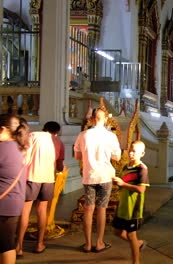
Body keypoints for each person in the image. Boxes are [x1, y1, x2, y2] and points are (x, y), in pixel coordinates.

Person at [74, 108, 121, 253]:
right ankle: (99, 243)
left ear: (92, 119)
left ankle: (87, 244)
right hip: (105, 176)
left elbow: (77, 156)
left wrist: (90, 157)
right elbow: (117, 157)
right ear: (105, 119)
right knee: (102, 209)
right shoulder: (110, 136)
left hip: (90, 176)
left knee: (89, 209)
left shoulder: (83, 135)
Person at [16, 121, 64, 257]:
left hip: (32, 177)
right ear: (57, 132)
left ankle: (19, 246)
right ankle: (39, 244)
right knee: (42, 211)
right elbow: (60, 165)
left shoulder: (33, 136)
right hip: (48, 179)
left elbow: (25, 158)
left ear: (44, 128)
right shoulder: (58, 142)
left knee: (25, 211)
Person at [112, 141, 149, 264]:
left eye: (135, 151)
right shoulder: (125, 167)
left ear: (142, 153)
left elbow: (141, 189)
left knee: (131, 235)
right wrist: (118, 184)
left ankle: (136, 262)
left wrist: (123, 184)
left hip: (133, 208)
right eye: (130, 150)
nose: (131, 153)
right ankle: (138, 244)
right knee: (117, 232)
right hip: (123, 205)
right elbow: (124, 185)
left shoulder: (142, 169)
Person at [0, 114, 29, 264]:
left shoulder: (3, 148)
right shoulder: (21, 147)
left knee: (4, 245)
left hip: (3, 204)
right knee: (7, 243)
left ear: (3, 129)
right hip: (14, 201)